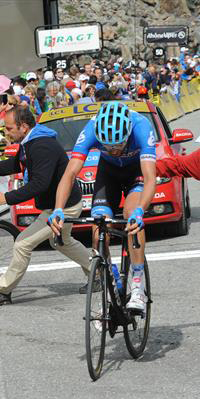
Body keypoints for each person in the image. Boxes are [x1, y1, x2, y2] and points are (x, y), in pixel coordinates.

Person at [0, 106, 91, 306]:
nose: (7, 133)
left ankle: (2, 291)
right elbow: (17, 165)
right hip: (61, 203)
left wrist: (6, 197)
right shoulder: (30, 141)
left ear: (23, 126)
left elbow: (39, 184)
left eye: (10, 128)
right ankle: (98, 272)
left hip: (62, 206)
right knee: (61, 241)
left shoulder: (41, 146)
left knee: (22, 243)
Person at [50, 102, 156, 314]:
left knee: (130, 215)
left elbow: (150, 178)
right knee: (98, 225)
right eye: (107, 147)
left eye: (118, 146)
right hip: (108, 174)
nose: (113, 150)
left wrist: (140, 211)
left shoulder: (142, 127)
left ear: (127, 134)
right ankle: (110, 277)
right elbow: (70, 174)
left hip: (136, 172)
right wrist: (58, 209)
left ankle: (137, 284)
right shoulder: (91, 129)